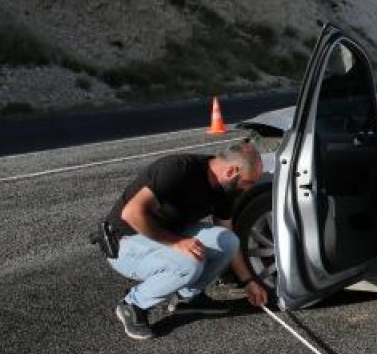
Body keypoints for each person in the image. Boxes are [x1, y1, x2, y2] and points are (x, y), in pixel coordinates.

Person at [106, 141, 268, 340]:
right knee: (189, 262)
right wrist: (176, 243)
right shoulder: (179, 170)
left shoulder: (226, 188)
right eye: (248, 182)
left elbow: (228, 234)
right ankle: (133, 305)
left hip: (167, 233)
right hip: (125, 242)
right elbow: (131, 214)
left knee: (228, 241)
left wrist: (248, 281)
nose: (247, 189)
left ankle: (187, 298)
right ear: (231, 171)